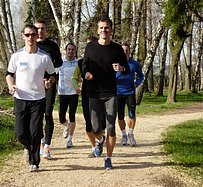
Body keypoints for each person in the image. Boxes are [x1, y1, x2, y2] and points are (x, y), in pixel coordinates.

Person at [6, 24, 55, 172]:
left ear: (37, 36)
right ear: (23, 36)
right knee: (21, 133)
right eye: (27, 35)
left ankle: (34, 162)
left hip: (38, 99)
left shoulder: (44, 57)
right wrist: (11, 85)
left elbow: (52, 74)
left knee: (35, 132)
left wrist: (49, 82)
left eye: (33, 34)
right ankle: (28, 147)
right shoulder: (16, 56)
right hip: (20, 98)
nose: (31, 37)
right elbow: (9, 74)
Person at [82, 18, 130, 170]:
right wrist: (86, 73)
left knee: (111, 127)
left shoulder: (117, 49)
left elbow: (127, 69)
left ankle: (108, 158)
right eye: (101, 28)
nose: (104, 30)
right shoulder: (90, 47)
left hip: (110, 93)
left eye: (107, 28)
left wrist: (121, 68)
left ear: (111, 30)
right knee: (95, 128)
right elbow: (84, 65)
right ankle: (100, 139)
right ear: (98, 30)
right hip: (93, 92)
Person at [72, 36, 106, 158]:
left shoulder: (102, 60)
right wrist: (77, 87)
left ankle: (100, 140)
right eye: (87, 45)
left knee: (101, 123)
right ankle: (94, 147)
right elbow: (74, 78)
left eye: (92, 44)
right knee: (88, 122)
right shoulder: (81, 63)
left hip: (101, 94)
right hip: (86, 94)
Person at [34, 19, 63, 159]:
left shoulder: (52, 46)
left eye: (42, 28)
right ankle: (40, 141)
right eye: (37, 28)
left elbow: (59, 63)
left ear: (46, 30)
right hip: (34, 85)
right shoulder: (30, 45)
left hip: (49, 83)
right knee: (37, 115)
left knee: (47, 113)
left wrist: (51, 78)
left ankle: (47, 146)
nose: (40, 31)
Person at [116, 43, 144, 146]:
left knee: (132, 114)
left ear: (129, 51)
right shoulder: (116, 64)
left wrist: (137, 83)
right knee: (120, 116)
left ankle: (131, 134)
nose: (125, 52)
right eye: (123, 50)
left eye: (126, 50)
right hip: (118, 92)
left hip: (130, 92)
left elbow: (141, 76)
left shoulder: (134, 64)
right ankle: (124, 135)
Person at [58, 43, 78, 148]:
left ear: (75, 51)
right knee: (61, 117)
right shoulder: (61, 63)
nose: (70, 51)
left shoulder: (78, 63)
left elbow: (82, 77)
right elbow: (53, 73)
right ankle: (66, 126)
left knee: (72, 115)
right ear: (66, 51)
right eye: (69, 49)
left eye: (72, 50)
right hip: (62, 93)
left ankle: (70, 139)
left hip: (74, 93)